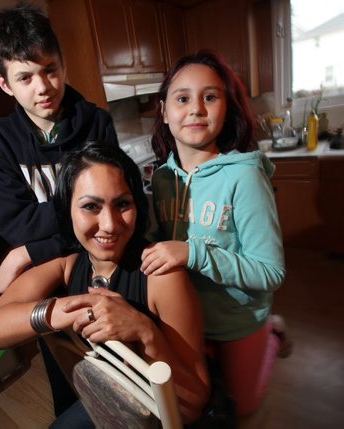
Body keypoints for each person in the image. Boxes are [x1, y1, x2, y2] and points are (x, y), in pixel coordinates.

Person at [0, 142, 210, 425]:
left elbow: (195, 402)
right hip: (97, 391)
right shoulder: (67, 262)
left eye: (122, 204)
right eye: (90, 207)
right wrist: (75, 309)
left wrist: (146, 333)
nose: (109, 224)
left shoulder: (161, 276)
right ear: (67, 211)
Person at [140, 50, 288, 417]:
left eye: (210, 96)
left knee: (242, 408)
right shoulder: (161, 178)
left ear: (228, 107)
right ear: (163, 110)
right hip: (187, 320)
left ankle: (270, 335)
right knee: (198, 402)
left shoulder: (244, 177)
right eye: (182, 98)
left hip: (239, 319)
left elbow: (270, 272)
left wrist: (194, 253)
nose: (195, 109)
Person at [0, 2, 118, 299]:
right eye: (25, 77)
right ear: (5, 84)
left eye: (50, 70)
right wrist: (80, 210)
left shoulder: (97, 123)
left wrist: (25, 253)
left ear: (63, 65)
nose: (43, 87)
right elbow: (16, 225)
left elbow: (109, 210)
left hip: (106, 267)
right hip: (46, 283)